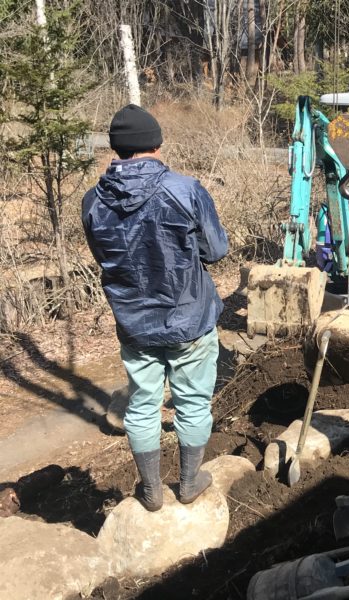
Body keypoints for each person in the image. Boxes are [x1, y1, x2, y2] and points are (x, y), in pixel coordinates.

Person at [82, 105, 228, 512]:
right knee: (193, 402)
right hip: (190, 320)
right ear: (158, 143)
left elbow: (103, 256)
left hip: (135, 325)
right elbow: (216, 250)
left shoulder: (92, 202)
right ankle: (189, 481)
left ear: (115, 149)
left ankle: (150, 490)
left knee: (142, 406)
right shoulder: (185, 190)